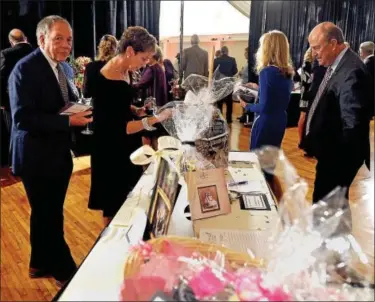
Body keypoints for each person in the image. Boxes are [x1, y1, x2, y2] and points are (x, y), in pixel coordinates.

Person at [8, 15, 92, 286]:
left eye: (69, 39)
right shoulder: (24, 69)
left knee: (46, 211)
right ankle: (65, 271)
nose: (66, 45)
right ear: (42, 39)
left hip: (58, 153)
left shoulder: (65, 68)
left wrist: (79, 109)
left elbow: (65, 102)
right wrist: (68, 120)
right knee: (49, 214)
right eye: (59, 38)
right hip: (36, 156)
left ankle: (37, 263)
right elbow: (22, 118)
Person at [88, 27, 171, 226]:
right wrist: (155, 119)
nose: (144, 65)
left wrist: (138, 110)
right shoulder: (105, 79)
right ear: (130, 51)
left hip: (125, 145)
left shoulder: (125, 71)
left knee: (129, 200)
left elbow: (119, 107)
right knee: (114, 206)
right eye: (144, 59)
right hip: (110, 150)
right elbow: (119, 127)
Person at [305, 22, 372, 203]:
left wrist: (333, 161)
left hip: (337, 158)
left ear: (333, 43)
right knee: (334, 207)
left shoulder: (351, 71)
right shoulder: (341, 63)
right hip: (331, 153)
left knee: (325, 208)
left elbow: (352, 126)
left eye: (317, 47)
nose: (313, 53)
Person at [239, 30, 293, 185]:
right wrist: (258, 88)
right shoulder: (287, 72)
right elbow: (277, 99)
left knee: (257, 164)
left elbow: (264, 106)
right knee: (269, 164)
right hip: (280, 120)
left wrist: (247, 106)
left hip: (266, 122)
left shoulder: (266, 72)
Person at [0, 29, 33, 166]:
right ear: (25, 38)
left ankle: (15, 164)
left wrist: (2, 101)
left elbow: (1, 78)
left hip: (11, 100)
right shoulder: (37, 52)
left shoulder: (6, 54)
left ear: (11, 41)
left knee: (14, 133)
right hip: (35, 100)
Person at [214, 46, 238, 123]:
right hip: (229, 84)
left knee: (219, 102)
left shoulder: (216, 60)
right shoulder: (232, 60)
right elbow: (235, 71)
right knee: (229, 102)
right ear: (227, 52)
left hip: (219, 84)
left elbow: (214, 72)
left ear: (221, 52)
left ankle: (220, 118)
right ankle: (229, 119)